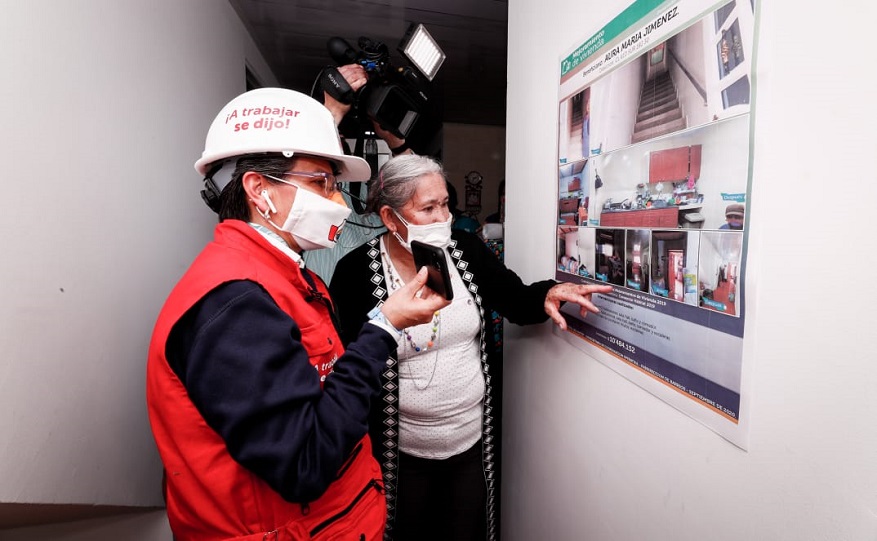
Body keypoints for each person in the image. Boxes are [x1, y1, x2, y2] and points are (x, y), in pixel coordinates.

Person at [145, 88, 449, 541]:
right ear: (258, 190)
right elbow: (304, 461)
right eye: (322, 183)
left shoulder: (282, 275)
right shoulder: (234, 305)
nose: (340, 203)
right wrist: (385, 327)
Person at [328, 154, 613, 541]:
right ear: (391, 218)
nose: (443, 217)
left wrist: (548, 293)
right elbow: (347, 365)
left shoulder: (465, 250)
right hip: (399, 456)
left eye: (445, 204)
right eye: (428, 208)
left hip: (470, 446)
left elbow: (513, 297)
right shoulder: (354, 272)